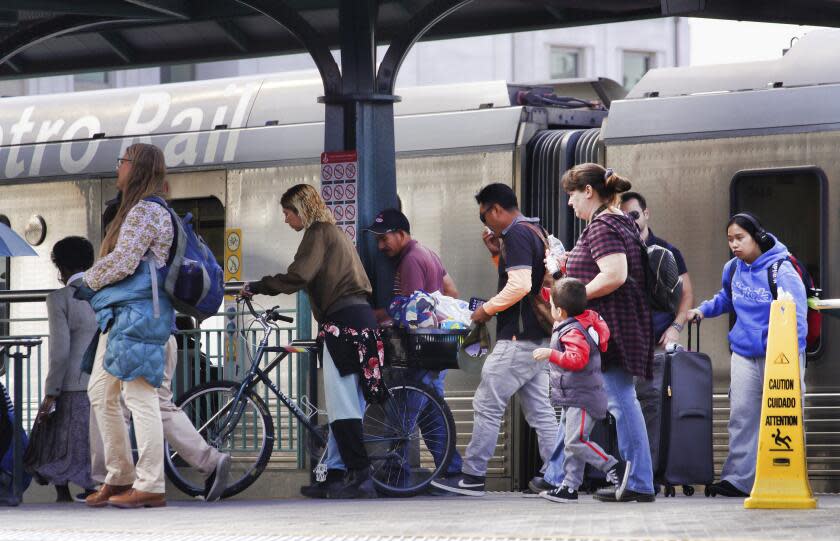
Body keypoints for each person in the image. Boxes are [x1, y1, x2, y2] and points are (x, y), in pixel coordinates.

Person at [240, 183, 385, 499]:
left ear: (301, 210)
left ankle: (361, 478)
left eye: (288, 212)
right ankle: (334, 474)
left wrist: (258, 286)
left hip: (343, 325)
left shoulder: (317, 232)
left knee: (342, 404)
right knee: (347, 404)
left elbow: (300, 276)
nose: (285, 219)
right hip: (361, 322)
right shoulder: (334, 234)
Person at [91, 192, 232, 503]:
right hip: (159, 333)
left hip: (142, 333)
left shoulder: (136, 247)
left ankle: (142, 480)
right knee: (145, 401)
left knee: (140, 400)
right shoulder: (157, 233)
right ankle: (204, 462)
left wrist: (88, 280)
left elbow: (122, 268)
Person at [431, 183, 558, 496]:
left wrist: (483, 312)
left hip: (516, 338)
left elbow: (518, 286)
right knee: (540, 410)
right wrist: (495, 255)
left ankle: (473, 475)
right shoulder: (534, 230)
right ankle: (558, 473)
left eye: (483, 216)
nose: (485, 224)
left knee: (487, 402)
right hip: (537, 338)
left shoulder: (515, 233)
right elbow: (522, 281)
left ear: (496, 209)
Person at [542, 163, 655, 503]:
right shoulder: (613, 221)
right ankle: (560, 475)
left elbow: (614, 274)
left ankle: (637, 481)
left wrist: (576, 298)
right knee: (588, 400)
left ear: (588, 191)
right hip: (613, 326)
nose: (569, 203)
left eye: (571, 195)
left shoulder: (604, 225)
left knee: (620, 401)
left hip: (611, 328)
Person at [81, 143, 175, 509]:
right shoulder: (137, 209)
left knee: (138, 393)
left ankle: (151, 483)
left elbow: (123, 262)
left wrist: (86, 279)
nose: (117, 168)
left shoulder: (146, 211)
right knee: (101, 391)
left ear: (136, 168)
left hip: (138, 312)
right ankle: (119, 475)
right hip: (123, 312)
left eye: (121, 162)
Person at [687, 212, 807, 497]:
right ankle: (739, 479)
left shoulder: (781, 270)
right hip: (744, 353)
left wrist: (788, 355)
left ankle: (787, 476)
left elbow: (798, 317)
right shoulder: (733, 268)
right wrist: (702, 310)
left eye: (740, 238)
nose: (734, 245)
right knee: (742, 415)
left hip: (781, 355)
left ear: (758, 238)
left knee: (785, 416)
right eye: (730, 240)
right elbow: (726, 298)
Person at [366, 208, 463, 481]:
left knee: (402, 416)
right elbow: (452, 292)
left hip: (418, 350)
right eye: (377, 240)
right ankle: (452, 472)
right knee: (433, 412)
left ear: (401, 234)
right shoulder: (429, 254)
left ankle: (396, 475)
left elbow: (409, 310)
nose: (380, 246)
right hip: (436, 348)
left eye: (384, 239)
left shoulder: (410, 260)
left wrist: (377, 317)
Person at [532, 278, 631, 503]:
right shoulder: (578, 320)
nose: (550, 308)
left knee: (575, 441)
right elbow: (555, 298)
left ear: (560, 310)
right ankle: (569, 486)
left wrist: (551, 354)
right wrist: (540, 287)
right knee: (573, 442)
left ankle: (614, 466)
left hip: (583, 397)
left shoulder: (573, 331)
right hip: (574, 395)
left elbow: (577, 359)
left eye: (552, 306)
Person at [620, 191, 693, 476]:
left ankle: (646, 473)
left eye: (634, 215)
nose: (631, 221)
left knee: (651, 407)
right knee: (623, 410)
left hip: (655, 346)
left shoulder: (667, 250)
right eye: (625, 217)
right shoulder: (618, 249)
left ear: (646, 214)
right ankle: (625, 472)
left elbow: (687, 294)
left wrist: (676, 327)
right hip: (625, 346)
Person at [30, 237, 99, 502]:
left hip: (72, 383)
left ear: (60, 267)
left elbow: (60, 351)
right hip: (102, 381)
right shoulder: (104, 292)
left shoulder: (59, 299)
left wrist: (51, 391)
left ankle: (63, 493)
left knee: (58, 441)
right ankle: (94, 487)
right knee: (91, 442)